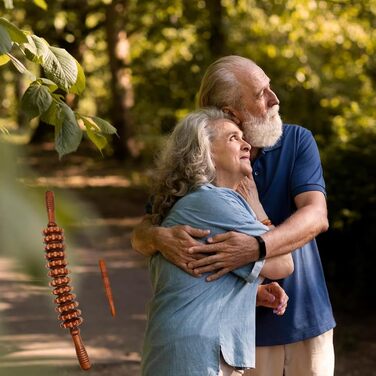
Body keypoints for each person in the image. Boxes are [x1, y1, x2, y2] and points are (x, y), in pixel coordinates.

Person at [132, 55, 336, 376]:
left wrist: (256, 247)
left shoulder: (295, 141)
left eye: (270, 87)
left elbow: (316, 216)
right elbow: (146, 229)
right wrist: (158, 237)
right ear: (230, 112)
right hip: (236, 332)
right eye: (261, 93)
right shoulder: (199, 164)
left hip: (304, 317)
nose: (274, 99)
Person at [141, 108, 293, 376]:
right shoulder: (214, 201)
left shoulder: (195, 202)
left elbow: (196, 282)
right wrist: (257, 206)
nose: (247, 144)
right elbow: (282, 263)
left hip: (183, 352)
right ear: (206, 151)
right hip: (197, 358)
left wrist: (250, 295)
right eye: (234, 138)